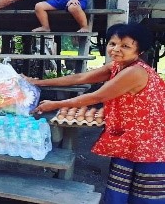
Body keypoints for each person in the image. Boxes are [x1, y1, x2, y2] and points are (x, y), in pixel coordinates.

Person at [25, 23, 165, 204]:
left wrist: (55, 104)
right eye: (112, 44)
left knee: (145, 194)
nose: (116, 49)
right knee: (119, 187)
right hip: (130, 136)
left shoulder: (136, 72)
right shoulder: (117, 66)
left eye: (125, 46)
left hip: (150, 139)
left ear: (139, 51)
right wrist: (39, 82)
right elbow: (80, 78)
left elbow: (96, 96)